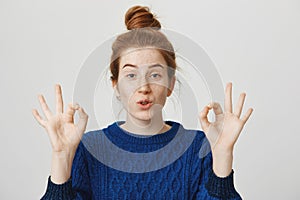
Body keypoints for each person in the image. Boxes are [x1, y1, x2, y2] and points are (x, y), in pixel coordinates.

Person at [32, 5, 253, 200]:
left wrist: (223, 153)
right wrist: (60, 156)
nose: (143, 87)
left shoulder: (198, 148)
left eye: (155, 75)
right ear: (115, 86)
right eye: (131, 75)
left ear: (170, 84)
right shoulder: (91, 148)